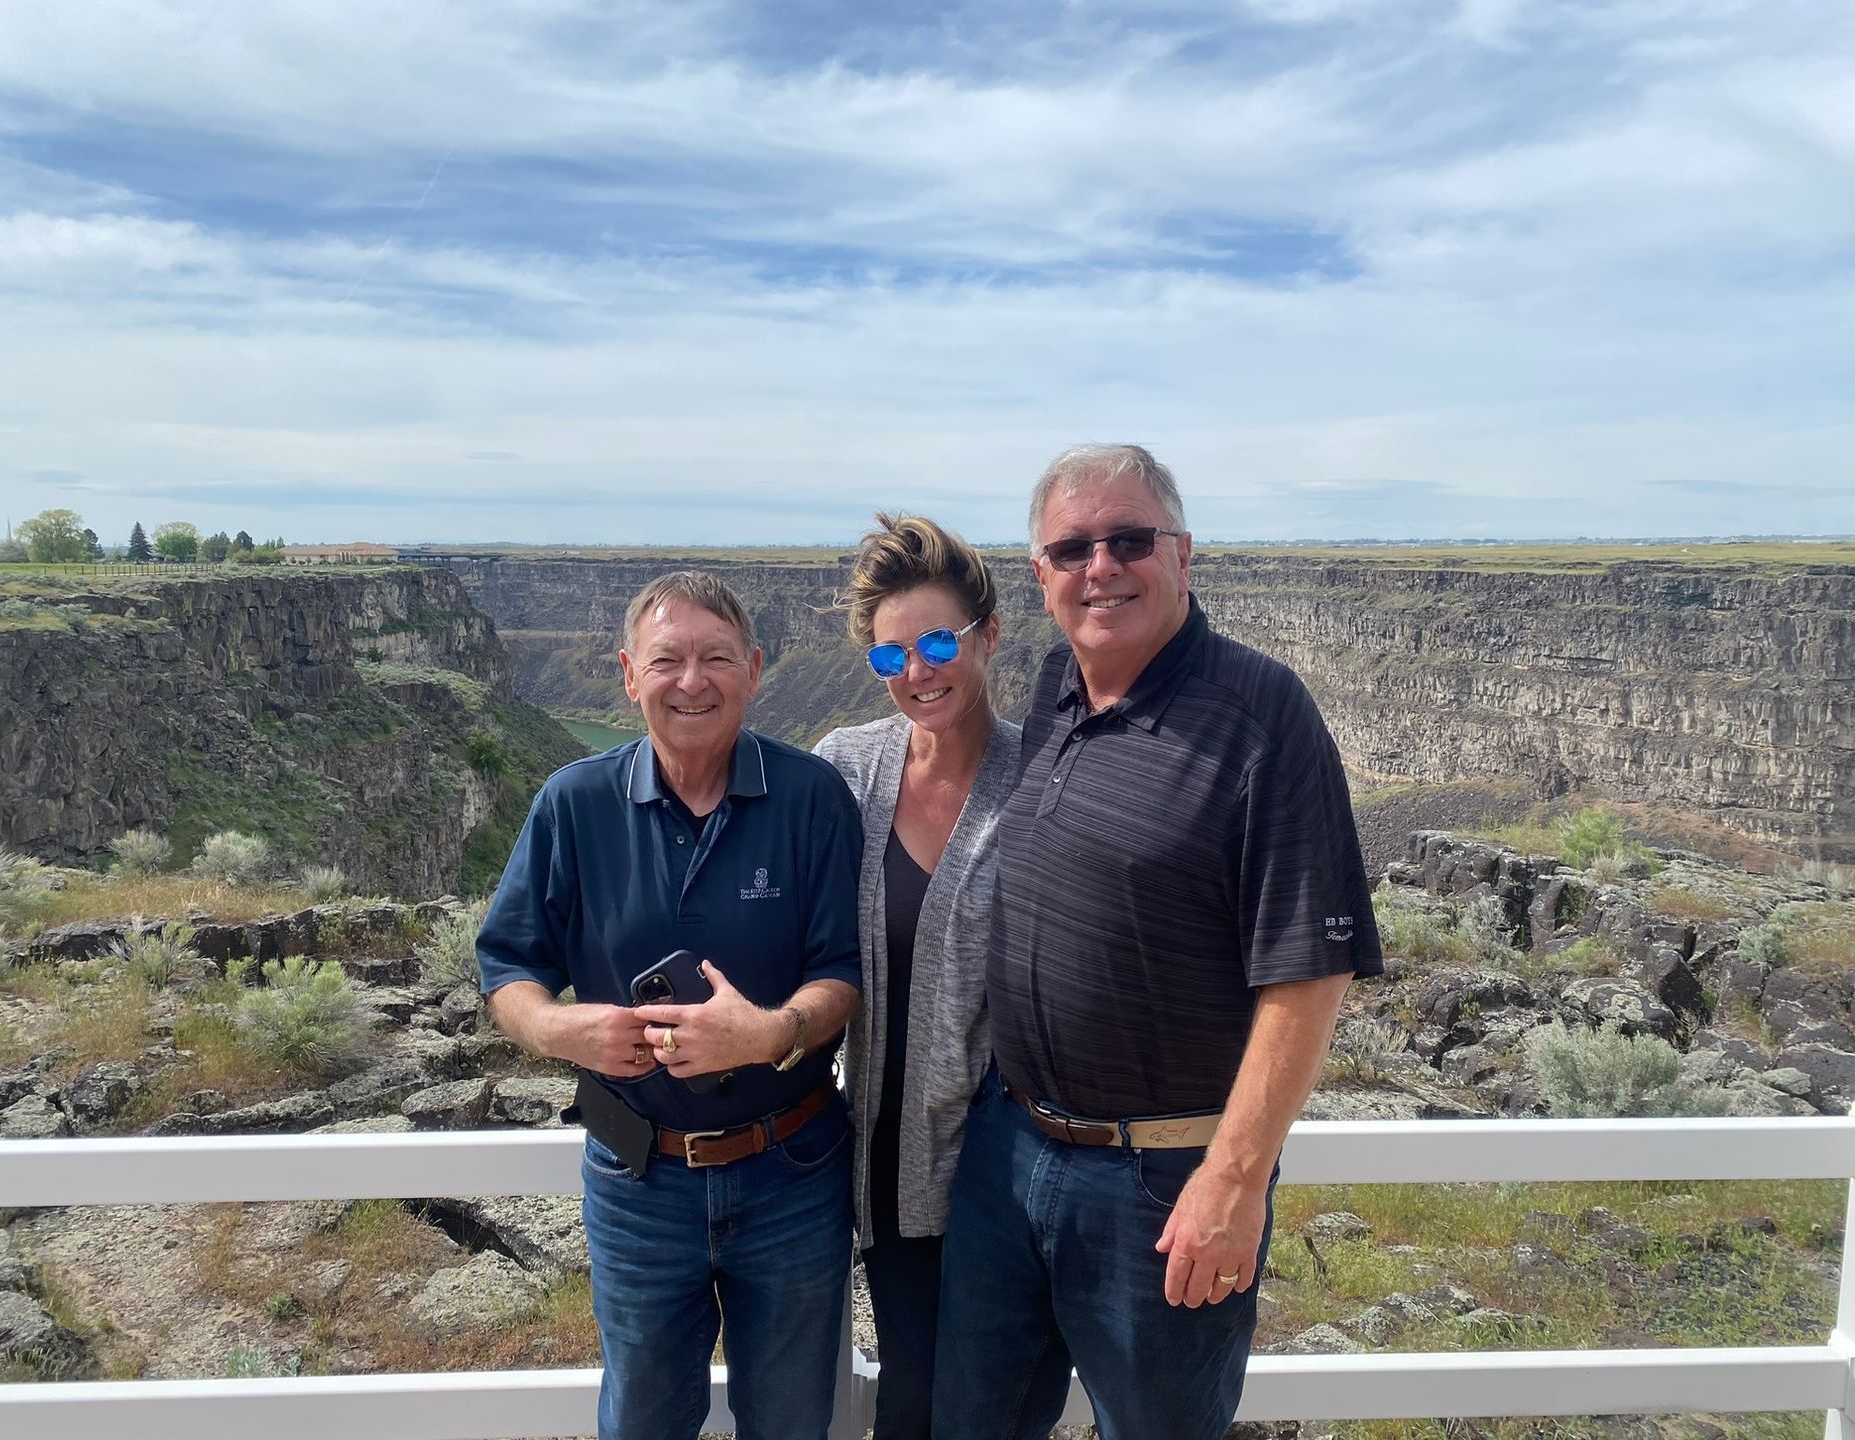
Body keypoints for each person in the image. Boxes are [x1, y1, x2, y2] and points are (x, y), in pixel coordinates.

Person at [933, 445, 1384, 1440]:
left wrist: (1235, 1178)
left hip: (1165, 1182)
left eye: (1130, 540)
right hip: (1010, 1153)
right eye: (1073, 548)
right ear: (1042, 576)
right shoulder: (1058, 683)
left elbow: (1308, 971)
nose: (1103, 566)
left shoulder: (1263, 715)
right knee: (973, 1422)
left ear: (1183, 553)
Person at [477, 571, 863, 1440]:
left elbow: (844, 969)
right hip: (638, 1179)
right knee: (644, 1420)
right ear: (627, 673)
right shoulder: (573, 804)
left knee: (795, 1421)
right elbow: (506, 966)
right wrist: (555, 1026)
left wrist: (771, 1033)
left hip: (793, 1174)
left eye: (716, 658)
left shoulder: (811, 799)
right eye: (668, 660)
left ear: (755, 670)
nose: (693, 681)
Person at [813, 514, 1024, 1440]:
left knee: (984, 1407)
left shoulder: (1042, 778)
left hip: (1001, 1177)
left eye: (937, 641)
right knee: (909, 1397)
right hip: (881, 1169)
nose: (917, 672)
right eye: (890, 655)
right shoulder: (847, 768)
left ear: (987, 632)